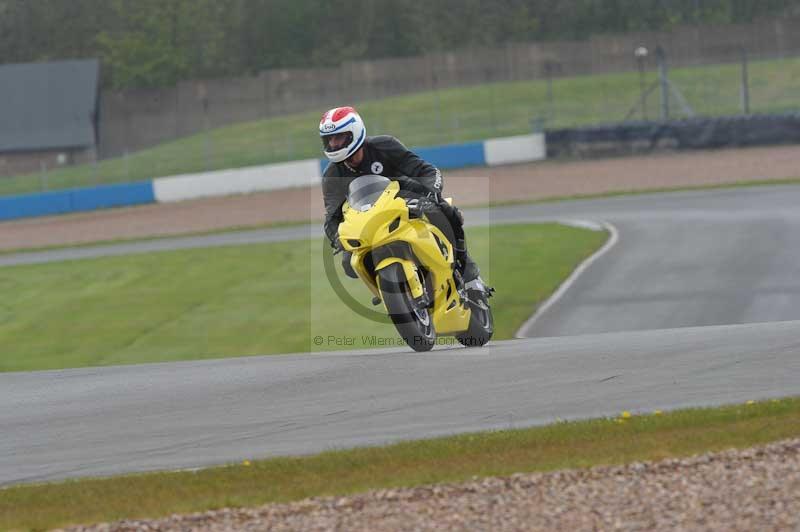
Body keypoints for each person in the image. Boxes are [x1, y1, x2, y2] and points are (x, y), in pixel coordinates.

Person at [319, 105, 482, 287]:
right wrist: (337, 239)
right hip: (365, 220)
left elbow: (426, 170)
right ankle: (391, 292)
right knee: (348, 265)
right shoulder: (332, 175)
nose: (333, 144)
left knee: (445, 211)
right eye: (329, 139)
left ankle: (465, 264)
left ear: (354, 132)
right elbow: (331, 217)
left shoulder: (384, 146)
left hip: (404, 198)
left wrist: (431, 193)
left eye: (339, 137)